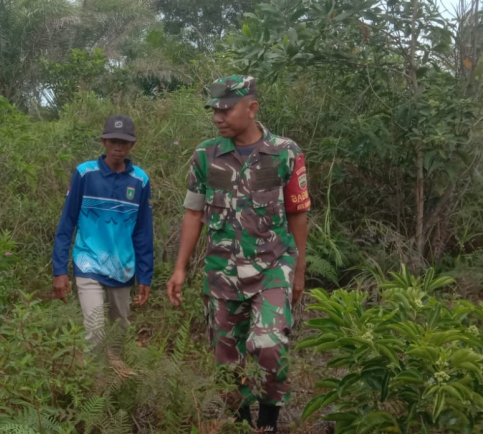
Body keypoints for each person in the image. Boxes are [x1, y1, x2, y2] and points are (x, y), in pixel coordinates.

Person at [166, 76, 310, 433]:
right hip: (221, 272)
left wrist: (300, 270)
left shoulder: (286, 152)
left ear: (252, 108)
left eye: (226, 109)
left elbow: (297, 212)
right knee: (227, 360)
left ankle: (270, 421)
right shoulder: (205, 155)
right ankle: (241, 422)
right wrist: (180, 268)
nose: (218, 116)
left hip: (273, 267)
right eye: (214, 109)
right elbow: (194, 213)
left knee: (270, 345)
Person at [52, 114, 154, 352]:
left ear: (132, 145)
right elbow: (67, 223)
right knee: (95, 331)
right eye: (113, 141)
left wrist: (145, 275)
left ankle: (114, 381)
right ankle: (91, 386)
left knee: (118, 333)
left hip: (123, 268)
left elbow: (143, 231)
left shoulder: (140, 180)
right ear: (103, 141)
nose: (118, 147)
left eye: (124, 142)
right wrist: (60, 270)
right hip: (88, 264)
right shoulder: (85, 174)